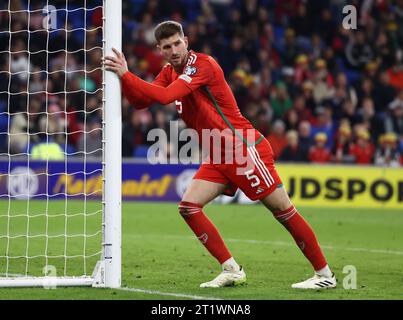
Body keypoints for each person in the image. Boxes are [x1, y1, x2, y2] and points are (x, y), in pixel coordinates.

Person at [104, 21, 336, 289]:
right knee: (189, 207)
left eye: (177, 43)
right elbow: (140, 101)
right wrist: (124, 76)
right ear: (160, 50)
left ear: (186, 41)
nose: (174, 50)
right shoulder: (168, 72)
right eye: (167, 47)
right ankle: (231, 269)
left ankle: (324, 275)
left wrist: (126, 74)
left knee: (282, 209)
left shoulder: (203, 65)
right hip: (217, 153)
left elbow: (166, 96)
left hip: (241, 147)